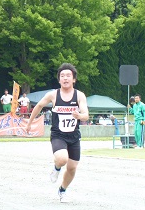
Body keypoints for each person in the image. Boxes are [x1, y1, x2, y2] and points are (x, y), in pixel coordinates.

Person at [26, 63, 89, 203]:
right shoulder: (53, 95)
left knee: (72, 168)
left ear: (74, 79)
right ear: (59, 80)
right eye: (62, 76)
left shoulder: (79, 95)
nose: (65, 78)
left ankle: (62, 190)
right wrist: (30, 123)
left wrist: (80, 116)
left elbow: (86, 115)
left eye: (68, 76)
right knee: (62, 159)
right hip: (58, 135)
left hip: (73, 136)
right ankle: (56, 168)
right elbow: (39, 106)